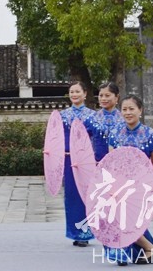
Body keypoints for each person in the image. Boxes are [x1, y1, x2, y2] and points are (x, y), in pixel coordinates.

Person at [104, 95, 153, 265]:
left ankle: (149, 249)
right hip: (118, 185)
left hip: (141, 187)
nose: (128, 112)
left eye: (132, 109)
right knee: (118, 219)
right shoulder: (115, 134)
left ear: (140, 110)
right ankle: (135, 251)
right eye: (124, 109)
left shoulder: (151, 135)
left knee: (128, 222)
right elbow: (111, 164)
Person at [59, 81, 95, 247]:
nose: (74, 94)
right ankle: (75, 232)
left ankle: (85, 233)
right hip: (69, 159)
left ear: (85, 94)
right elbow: (57, 138)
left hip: (86, 161)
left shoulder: (93, 115)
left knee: (86, 196)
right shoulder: (62, 115)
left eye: (77, 91)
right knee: (72, 196)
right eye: (71, 92)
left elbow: (96, 139)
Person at [87, 82, 124, 161]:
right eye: (101, 95)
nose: (103, 99)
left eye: (107, 95)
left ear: (116, 97)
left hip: (119, 163)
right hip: (96, 163)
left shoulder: (124, 119)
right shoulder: (92, 119)